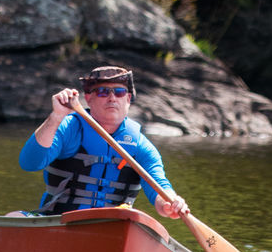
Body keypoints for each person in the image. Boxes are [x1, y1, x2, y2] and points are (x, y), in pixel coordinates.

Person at [18, 65, 188, 219]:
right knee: (15, 216)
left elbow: (159, 186)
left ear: (128, 99)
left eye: (119, 92)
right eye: (102, 92)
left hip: (113, 226)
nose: (112, 98)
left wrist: (170, 203)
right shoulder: (69, 128)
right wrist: (55, 117)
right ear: (88, 98)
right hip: (58, 219)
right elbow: (29, 163)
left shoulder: (140, 146)